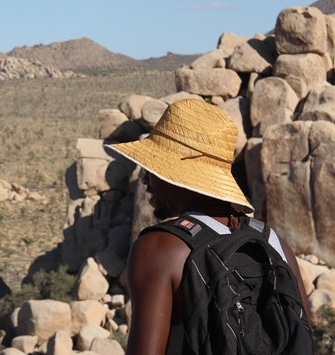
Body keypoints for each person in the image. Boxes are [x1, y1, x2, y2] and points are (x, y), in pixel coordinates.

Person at [106, 98, 311, 355]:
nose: (146, 178)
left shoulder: (159, 248)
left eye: (154, 167)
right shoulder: (274, 243)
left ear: (179, 175)